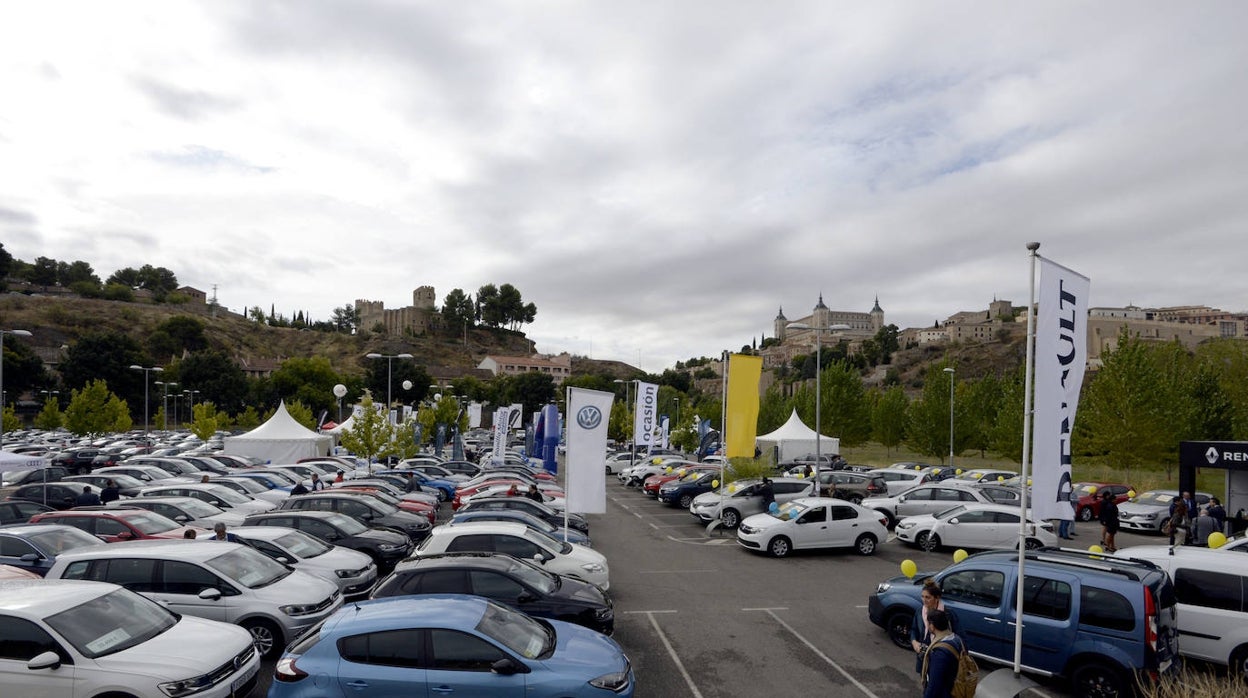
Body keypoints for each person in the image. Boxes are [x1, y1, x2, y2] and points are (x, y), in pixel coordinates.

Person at [920, 609, 965, 698]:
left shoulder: (939, 653)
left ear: (932, 626)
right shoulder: (956, 639)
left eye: (928, 623)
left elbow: (934, 685)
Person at [910, 580, 949, 673]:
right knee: (924, 681)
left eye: (928, 597)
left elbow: (958, 637)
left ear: (937, 598)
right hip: (923, 656)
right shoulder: (920, 612)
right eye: (922, 596)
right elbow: (913, 630)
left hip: (939, 658)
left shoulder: (947, 614)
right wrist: (914, 642)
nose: (924, 600)